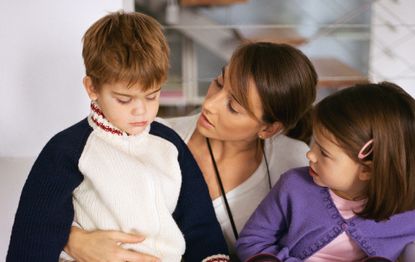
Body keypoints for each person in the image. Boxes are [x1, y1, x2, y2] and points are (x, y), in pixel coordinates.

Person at [64, 41, 319, 261]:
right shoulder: (149, 137)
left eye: (233, 107)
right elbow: (64, 202)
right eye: (219, 83)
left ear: (269, 128)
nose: (209, 104)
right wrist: (73, 241)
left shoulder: (292, 160)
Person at [6, 11, 230, 262]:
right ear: (92, 88)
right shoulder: (66, 150)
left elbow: (199, 221)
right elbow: (34, 235)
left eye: (152, 95)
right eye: (124, 99)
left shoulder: (170, 143)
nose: (141, 110)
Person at [236, 82, 415, 261]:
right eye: (315, 142)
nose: (310, 154)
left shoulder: (406, 214)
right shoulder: (293, 186)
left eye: (324, 152)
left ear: (367, 170)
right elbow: (251, 241)